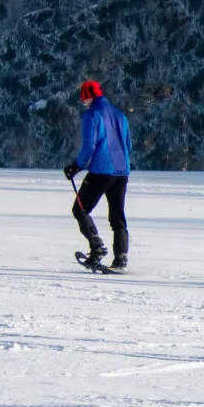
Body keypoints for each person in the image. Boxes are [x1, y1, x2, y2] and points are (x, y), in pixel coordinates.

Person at [64, 79, 132, 269]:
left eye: (83, 99)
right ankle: (121, 257)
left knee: (80, 209)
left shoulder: (91, 115)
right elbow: (128, 145)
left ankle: (96, 247)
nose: (83, 103)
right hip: (122, 171)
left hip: (101, 171)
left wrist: (77, 166)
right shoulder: (120, 115)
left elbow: (89, 145)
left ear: (87, 96)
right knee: (117, 215)